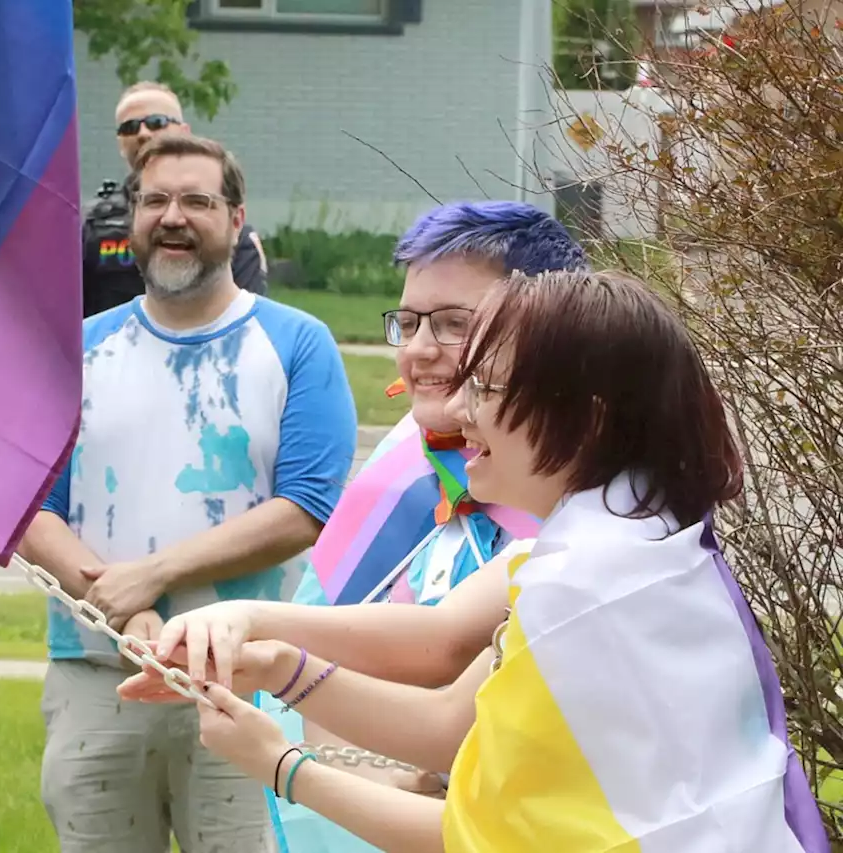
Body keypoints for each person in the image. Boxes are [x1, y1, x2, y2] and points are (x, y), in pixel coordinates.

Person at [121, 270, 829, 853]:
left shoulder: (581, 585)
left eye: (488, 386)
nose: (460, 407)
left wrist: (277, 763)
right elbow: (442, 672)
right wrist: (266, 653)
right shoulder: (639, 535)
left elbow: (464, 831)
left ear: (589, 418)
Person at [20, 133, 356, 852]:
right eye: (155, 200)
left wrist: (156, 575)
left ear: (237, 221)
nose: (173, 216)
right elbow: (29, 506)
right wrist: (129, 608)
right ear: (132, 218)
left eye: (197, 200)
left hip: (245, 676)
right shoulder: (75, 351)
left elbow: (303, 509)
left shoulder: (297, 345)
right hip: (96, 674)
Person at [249, 201, 587, 849]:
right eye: (407, 322)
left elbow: (455, 706)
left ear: (548, 332)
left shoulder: (582, 504)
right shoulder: (402, 458)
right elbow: (330, 635)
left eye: (454, 324)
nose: (421, 349)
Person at [82, 81, 267, 318]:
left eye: (156, 122)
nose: (143, 133)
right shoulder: (92, 226)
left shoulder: (225, 224)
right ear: (120, 142)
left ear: (184, 132)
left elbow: (251, 319)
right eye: (129, 127)